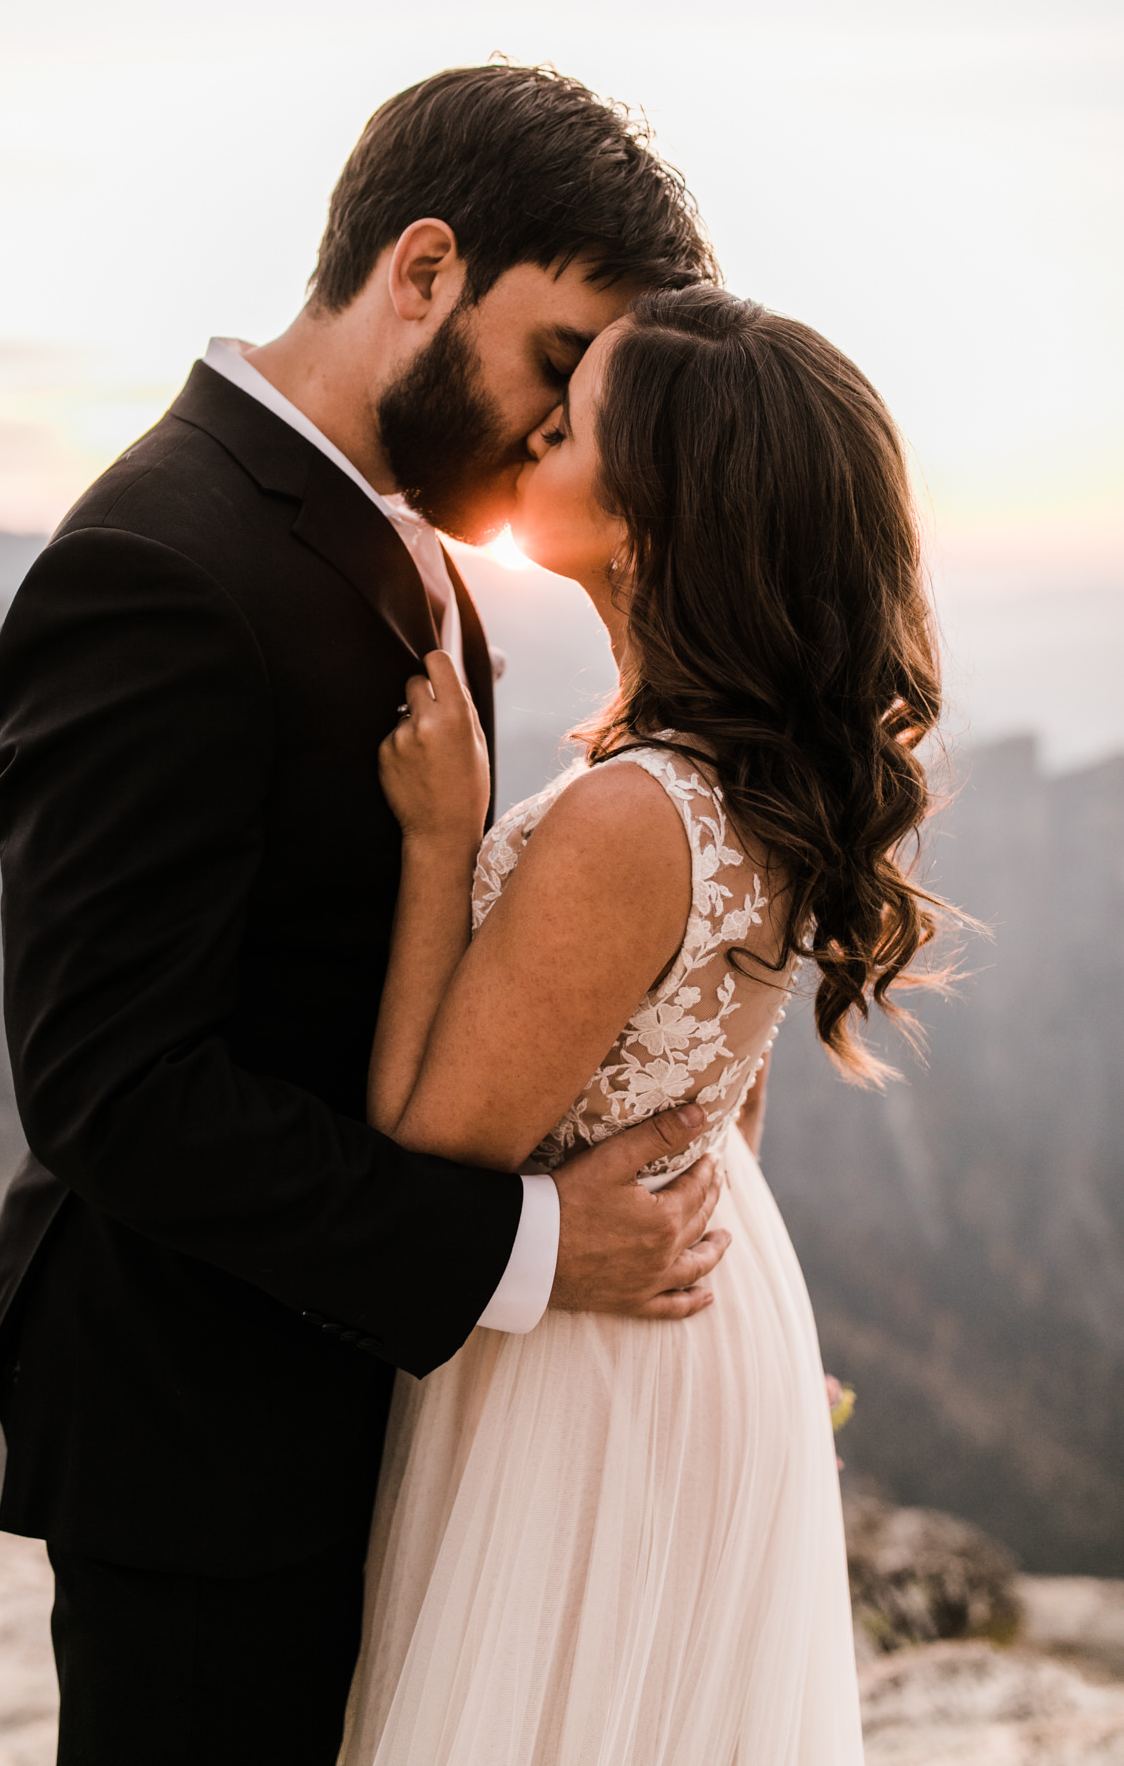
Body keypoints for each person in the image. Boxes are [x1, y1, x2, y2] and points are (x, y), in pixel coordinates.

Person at [0, 64, 731, 1763]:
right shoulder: (152, 564)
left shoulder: (432, 553)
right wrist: (527, 1250)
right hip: (205, 1443)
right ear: (422, 271)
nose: (558, 427)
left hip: (384, 1411)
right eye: (564, 362)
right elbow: (111, 1092)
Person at [340, 284, 947, 1764]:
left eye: (569, 423)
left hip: (591, 1356)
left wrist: (441, 843)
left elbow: (431, 1136)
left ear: (644, 522)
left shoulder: (629, 814)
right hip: (693, 1304)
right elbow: (722, 1084)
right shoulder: (753, 778)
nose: (531, 434)